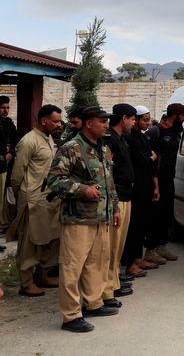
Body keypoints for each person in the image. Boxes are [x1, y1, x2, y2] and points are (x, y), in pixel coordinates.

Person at [47, 106, 121, 333]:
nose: (106, 125)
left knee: (96, 263)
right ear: (89, 124)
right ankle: (70, 316)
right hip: (78, 218)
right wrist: (82, 190)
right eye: (102, 121)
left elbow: (108, 181)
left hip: (100, 217)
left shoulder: (101, 147)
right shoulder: (71, 148)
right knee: (72, 267)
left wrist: (115, 207)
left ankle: (93, 302)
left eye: (106, 121)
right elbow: (53, 181)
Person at [7, 104, 62, 297]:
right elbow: (17, 175)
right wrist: (22, 196)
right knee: (29, 242)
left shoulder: (48, 139)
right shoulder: (28, 141)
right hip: (32, 199)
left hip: (48, 198)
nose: (58, 124)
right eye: (55, 121)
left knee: (50, 238)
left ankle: (43, 274)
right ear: (44, 120)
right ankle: (26, 282)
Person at [101, 104, 138, 307]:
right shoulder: (110, 141)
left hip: (126, 196)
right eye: (132, 119)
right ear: (124, 118)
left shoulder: (121, 139)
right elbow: (108, 173)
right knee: (112, 246)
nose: (133, 122)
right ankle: (107, 287)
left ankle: (113, 281)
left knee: (118, 246)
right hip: (117, 199)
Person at [122, 106, 160, 277]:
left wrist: (155, 186)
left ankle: (138, 257)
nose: (148, 123)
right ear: (134, 119)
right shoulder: (130, 138)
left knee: (143, 223)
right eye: (144, 119)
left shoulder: (143, 138)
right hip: (136, 187)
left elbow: (150, 162)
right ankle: (130, 262)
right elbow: (143, 160)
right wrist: (151, 158)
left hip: (146, 186)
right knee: (134, 226)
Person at [146, 103, 184, 264]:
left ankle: (161, 246)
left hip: (169, 179)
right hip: (156, 180)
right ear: (174, 115)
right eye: (182, 115)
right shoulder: (156, 131)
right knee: (155, 215)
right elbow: (148, 158)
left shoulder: (176, 131)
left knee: (167, 215)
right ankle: (150, 250)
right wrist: (154, 184)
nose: (183, 118)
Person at [0, 95, 19, 233]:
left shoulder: (8, 123)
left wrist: (10, 154)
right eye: (2, 107)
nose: (5, 110)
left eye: (7, 107)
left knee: (0, 201)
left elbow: (16, 141)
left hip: (1, 167)